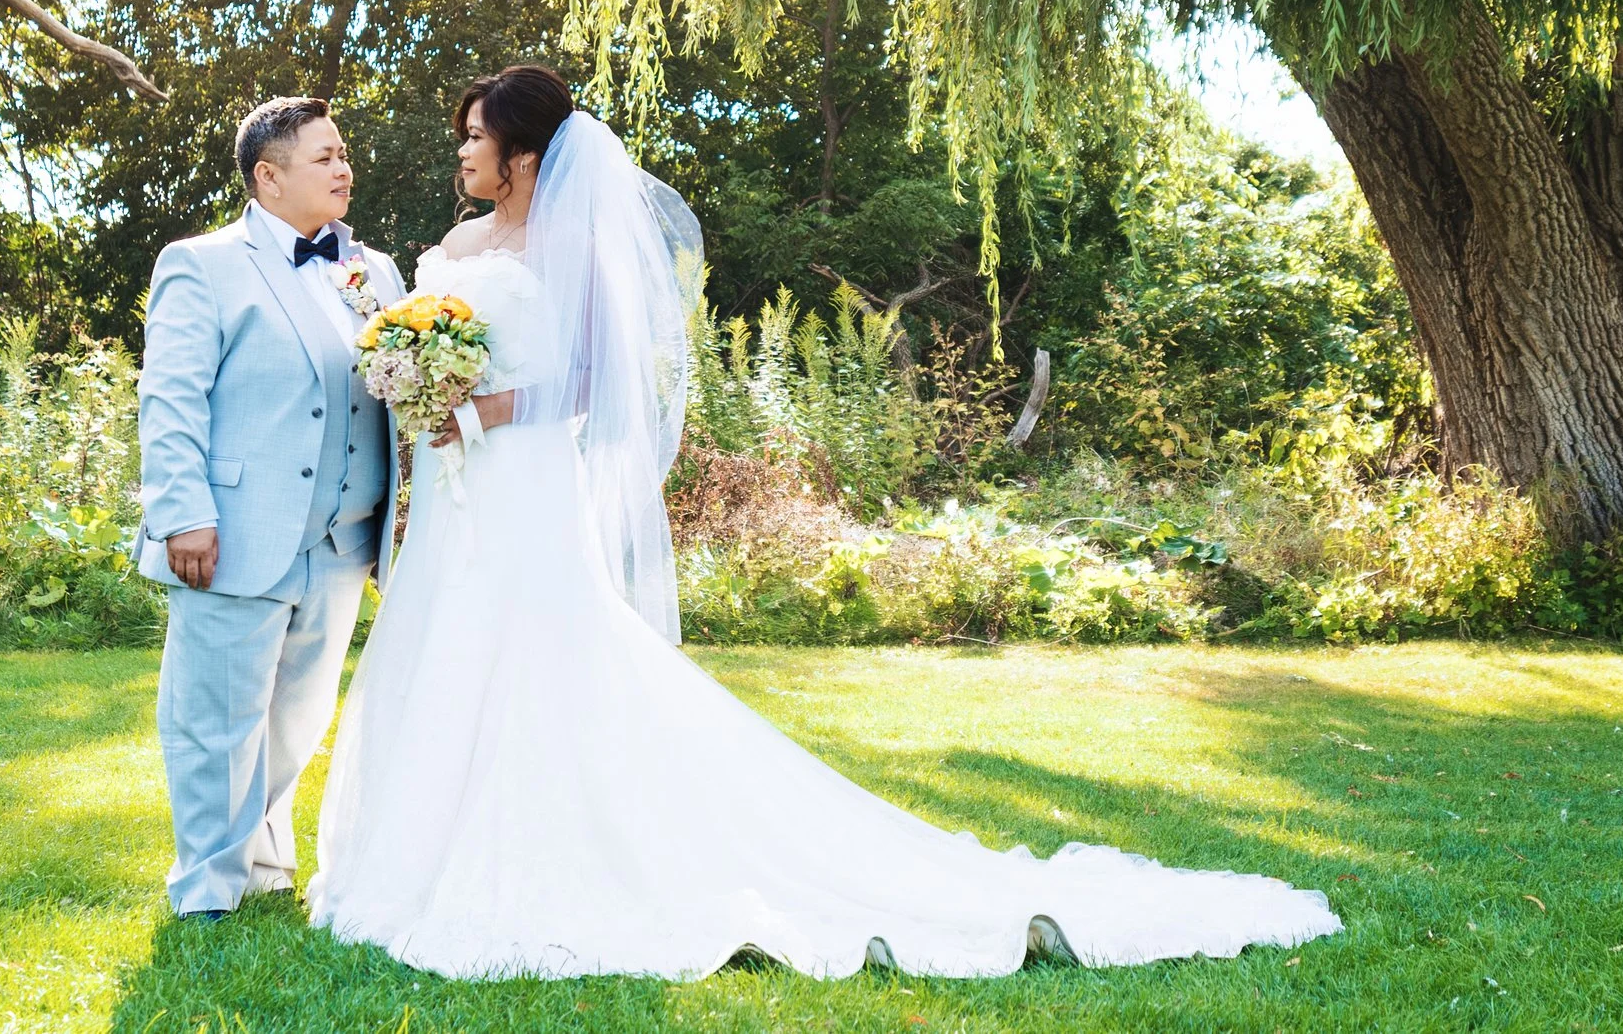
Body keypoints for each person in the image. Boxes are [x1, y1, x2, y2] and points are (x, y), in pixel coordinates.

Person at [308, 65, 1340, 977]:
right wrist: (417, 385)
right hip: (455, 494)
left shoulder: (570, 248)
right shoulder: (454, 242)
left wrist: (479, 405)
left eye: (476, 138)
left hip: (523, 476)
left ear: (522, 155)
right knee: (444, 646)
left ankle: (543, 848)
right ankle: (410, 850)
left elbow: (587, 383)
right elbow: (434, 350)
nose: (464, 152)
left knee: (536, 658)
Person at [135, 96, 403, 920]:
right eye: (324, 156)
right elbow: (171, 396)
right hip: (236, 530)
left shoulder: (378, 273)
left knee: (294, 722)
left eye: (344, 152)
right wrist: (183, 512)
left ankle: (263, 866)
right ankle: (206, 889)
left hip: (341, 539)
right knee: (216, 716)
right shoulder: (202, 263)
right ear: (268, 174)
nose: (343, 168)